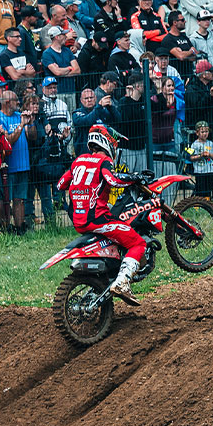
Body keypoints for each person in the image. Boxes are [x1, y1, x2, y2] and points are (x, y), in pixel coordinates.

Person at [55, 123, 148, 296]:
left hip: (78, 220)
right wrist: (135, 178)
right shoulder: (104, 161)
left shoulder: (78, 160)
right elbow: (113, 180)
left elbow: (60, 185)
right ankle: (122, 282)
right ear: (108, 142)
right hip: (98, 219)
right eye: (115, 144)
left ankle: (111, 273)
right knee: (138, 243)